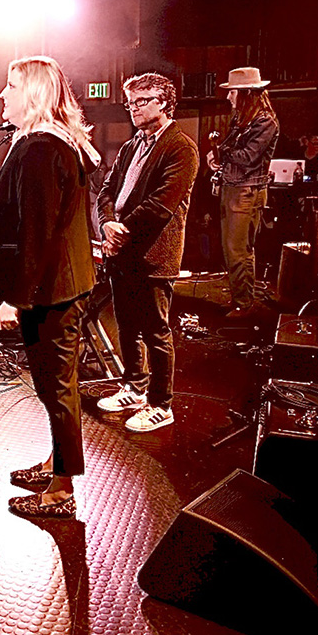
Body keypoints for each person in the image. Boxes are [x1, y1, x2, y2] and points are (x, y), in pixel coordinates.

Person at [0, 55, 100, 519]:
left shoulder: (40, 150)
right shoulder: (46, 143)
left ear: (30, 93)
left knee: (57, 387)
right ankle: (57, 463)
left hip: (50, 291)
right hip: (57, 287)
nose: (2, 95)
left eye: (10, 86)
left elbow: (37, 231)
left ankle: (61, 490)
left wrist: (16, 297)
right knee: (53, 386)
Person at [96, 72, 199, 433]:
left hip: (154, 254)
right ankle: (134, 387)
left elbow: (160, 206)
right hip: (121, 251)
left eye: (142, 101)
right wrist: (107, 223)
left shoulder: (181, 147)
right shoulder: (130, 146)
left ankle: (160, 404)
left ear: (165, 103)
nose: (133, 108)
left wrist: (119, 233)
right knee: (126, 325)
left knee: (156, 330)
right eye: (131, 102)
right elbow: (106, 190)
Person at [207, 67, 280, 319]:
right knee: (232, 249)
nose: (228, 97)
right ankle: (241, 299)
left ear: (247, 93)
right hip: (233, 188)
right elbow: (229, 149)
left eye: (233, 92)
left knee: (239, 250)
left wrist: (221, 154)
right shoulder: (242, 118)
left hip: (246, 192)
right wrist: (214, 156)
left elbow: (248, 158)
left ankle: (244, 304)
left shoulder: (265, 122)